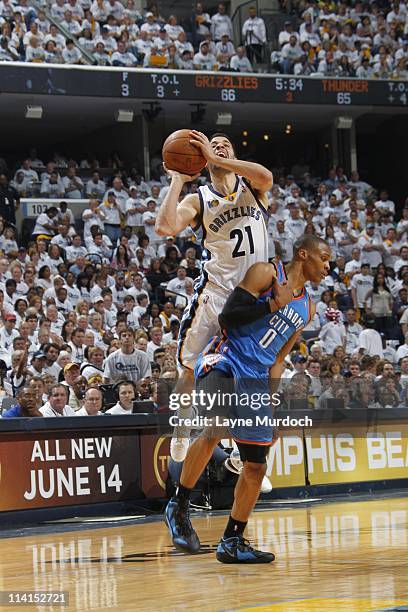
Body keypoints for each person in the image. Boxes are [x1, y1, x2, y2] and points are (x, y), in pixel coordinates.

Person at [165, 235, 330, 563]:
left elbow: (279, 358)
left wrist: (269, 401)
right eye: (323, 258)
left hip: (256, 379)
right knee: (215, 427)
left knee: (255, 465)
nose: (328, 266)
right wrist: (271, 304)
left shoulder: (308, 308)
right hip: (224, 358)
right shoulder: (266, 274)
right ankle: (179, 506)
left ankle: (232, 541)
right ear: (303, 254)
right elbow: (229, 317)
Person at [155, 130, 274, 462]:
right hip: (217, 294)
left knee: (248, 375)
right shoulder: (199, 200)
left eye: (225, 145)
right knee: (190, 369)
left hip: (253, 300)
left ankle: (241, 447)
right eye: (214, 145)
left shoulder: (254, 186)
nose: (219, 146)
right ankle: (181, 427)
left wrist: (216, 156)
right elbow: (164, 228)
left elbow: (267, 175)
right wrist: (178, 179)